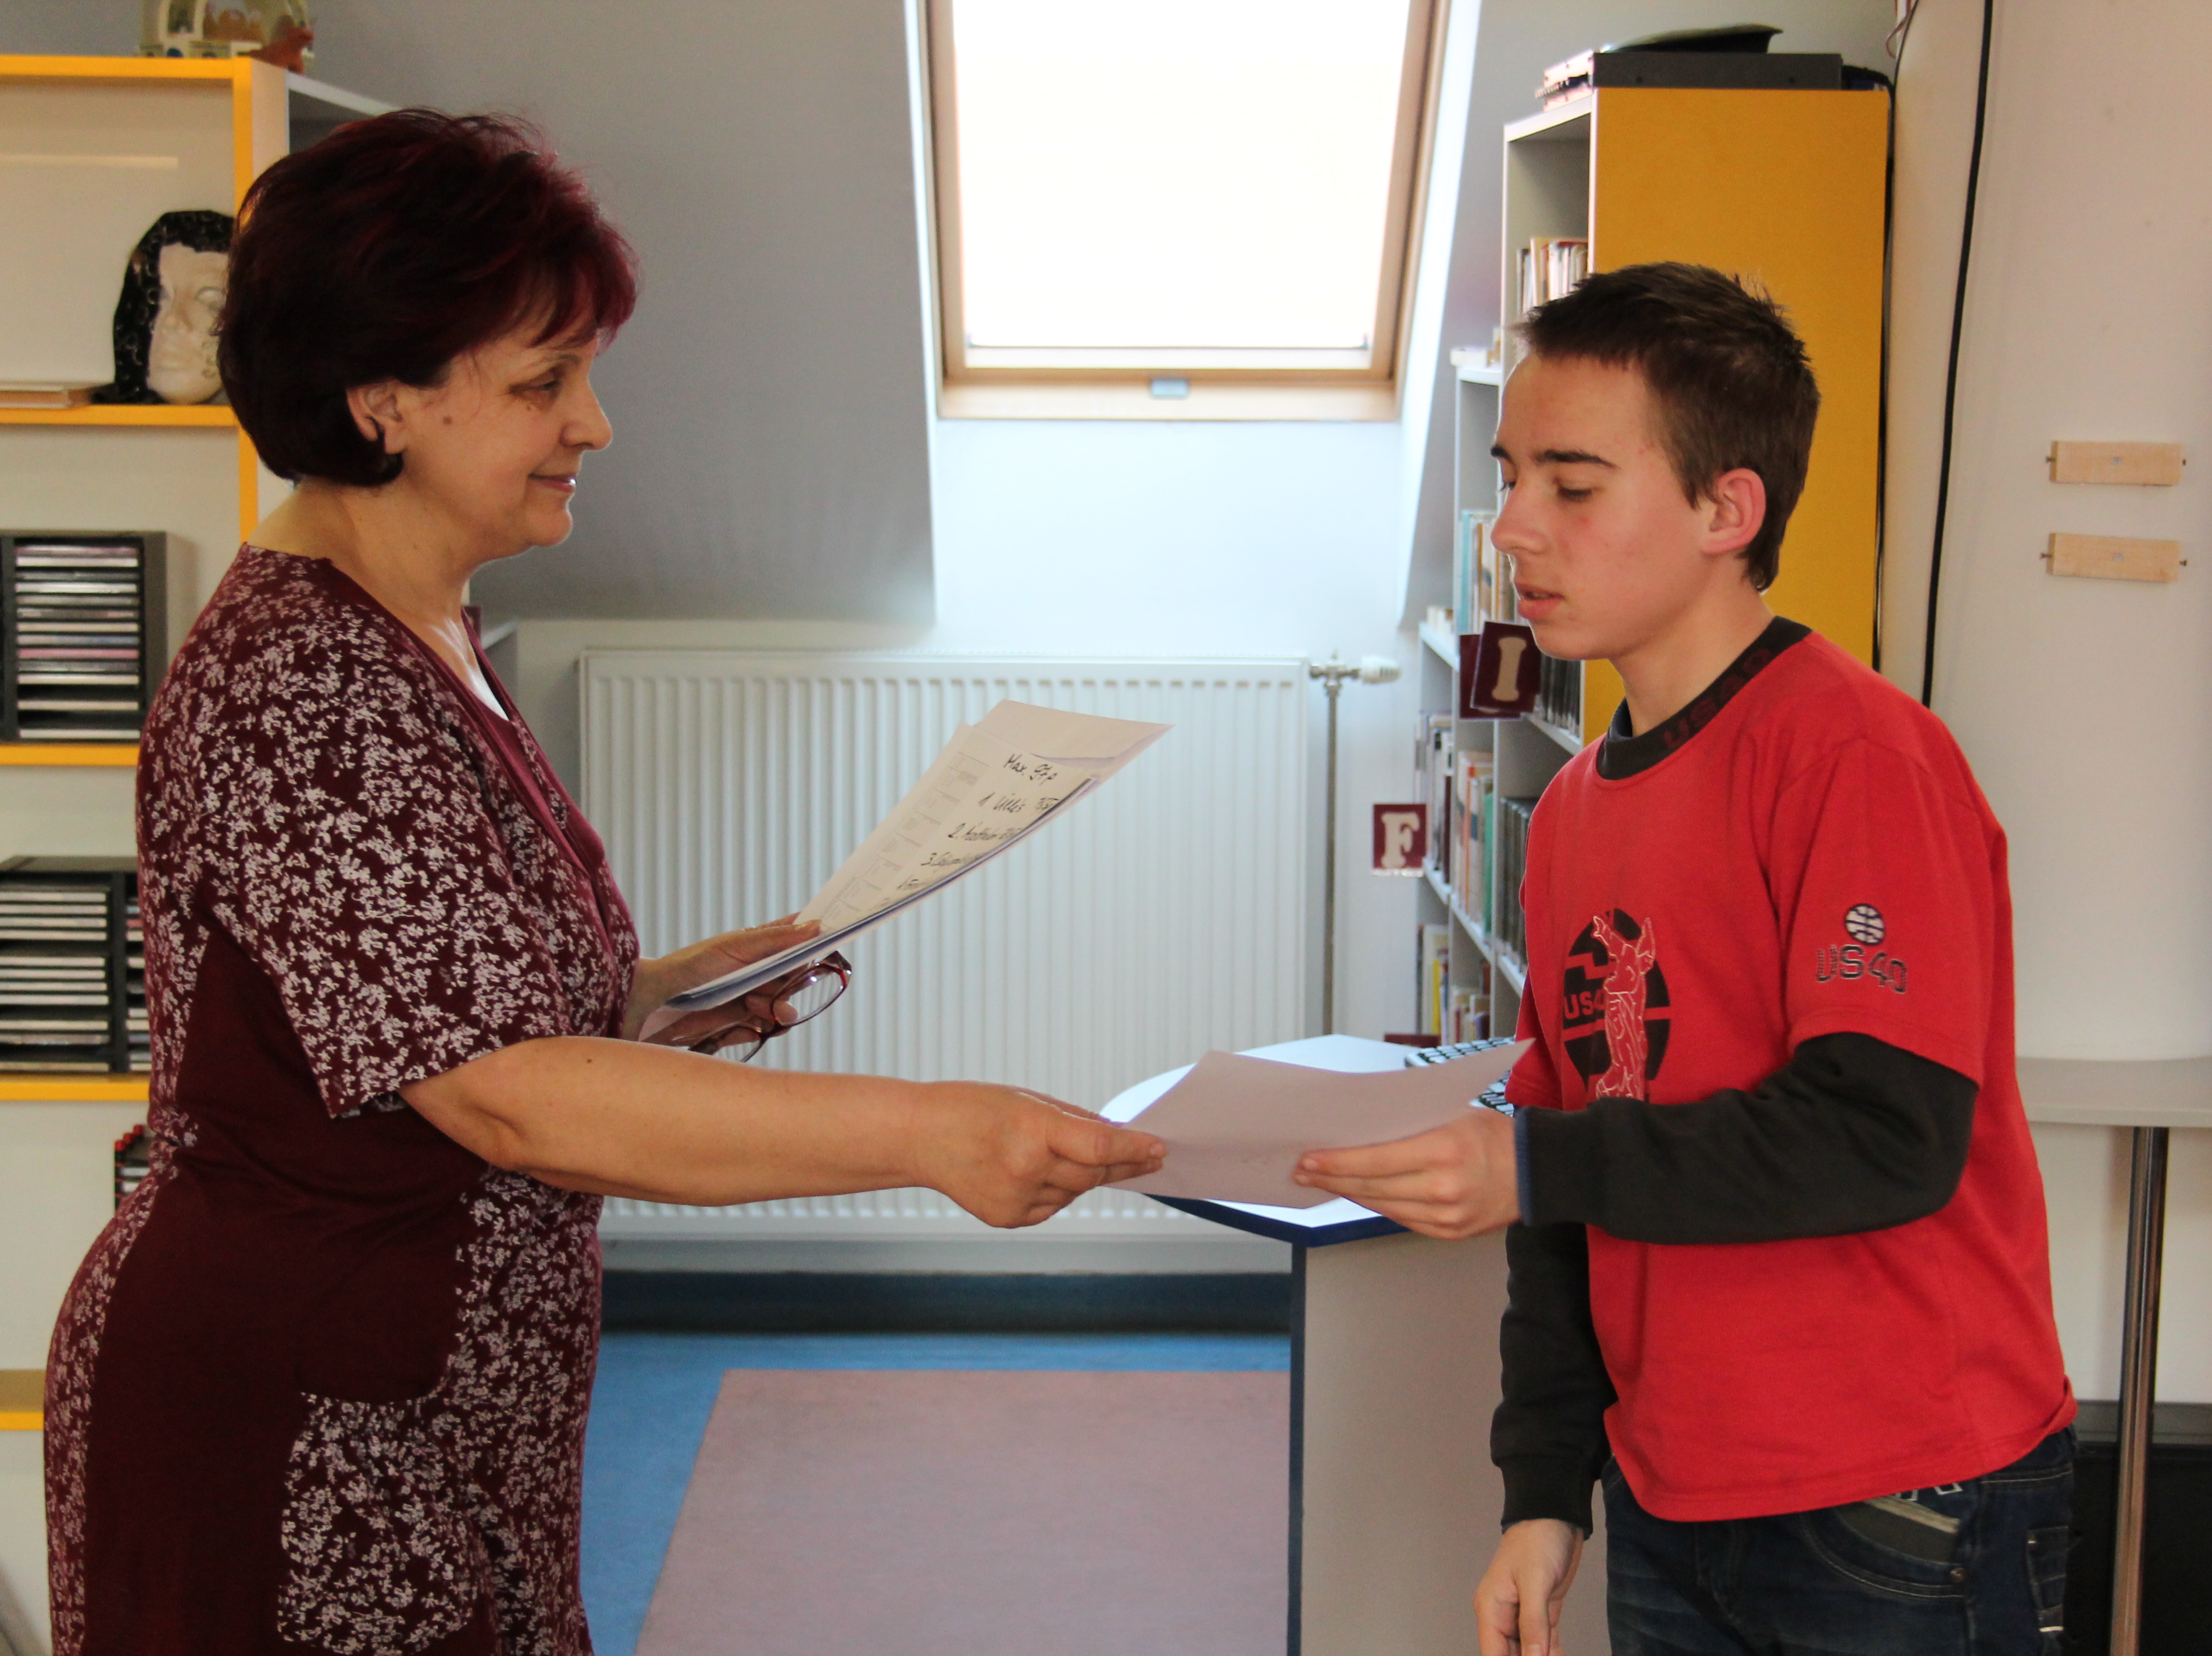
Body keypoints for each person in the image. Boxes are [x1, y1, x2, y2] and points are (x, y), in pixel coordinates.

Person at [44, 110, 1163, 1656]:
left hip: (424, 1403)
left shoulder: (426, 626)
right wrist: (930, 1131)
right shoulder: (302, 681)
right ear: (381, 399)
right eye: (542, 383)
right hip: (294, 1425)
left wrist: (657, 996)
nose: (595, 424)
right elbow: (506, 1097)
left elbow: (427, 1001)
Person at [1295, 263, 2075, 1656]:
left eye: (1574, 485)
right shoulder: (1571, 810)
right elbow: (1561, 1178)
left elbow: (1886, 1132)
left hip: (1896, 1498)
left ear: (1729, 510)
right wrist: (1547, 1488)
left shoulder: (1856, 756)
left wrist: (1530, 1163)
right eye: (1511, 477)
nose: (1514, 527)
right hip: (1671, 1490)